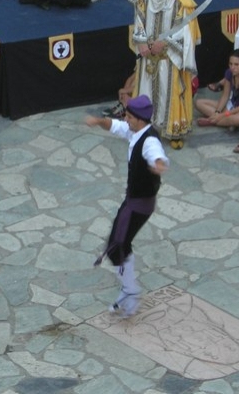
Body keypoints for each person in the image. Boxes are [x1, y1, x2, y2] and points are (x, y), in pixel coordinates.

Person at [84, 95, 169, 318]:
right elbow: (116, 126)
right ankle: (128, 291)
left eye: (129, 116)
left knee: (117, 246)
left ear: (140, 119)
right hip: (134, 201)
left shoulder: (149, 141)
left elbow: (155, 154)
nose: (126, 119)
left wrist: (159, 164)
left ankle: (130, 293)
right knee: (119, 245)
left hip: (139, 205)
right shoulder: (136, 131)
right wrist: (98, 121)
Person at [132, 0, 199, 150]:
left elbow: (186, 29)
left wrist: (165, 43)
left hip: (169, 58)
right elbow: (138, 20)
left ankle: (174, 131)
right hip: (148, 56)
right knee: (145, 92)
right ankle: (144, 129)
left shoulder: (181, 0)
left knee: (170, 93)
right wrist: (142, 42)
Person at [195, 49, 239, 128]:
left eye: (236, 64)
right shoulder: (229, 73)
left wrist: (222, 115)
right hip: (231, 106)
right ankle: (223, 121)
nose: (232, 67)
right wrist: (217, 112)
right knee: (199, 103)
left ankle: (212, 121)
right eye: (230, 64)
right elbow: (225, 96)